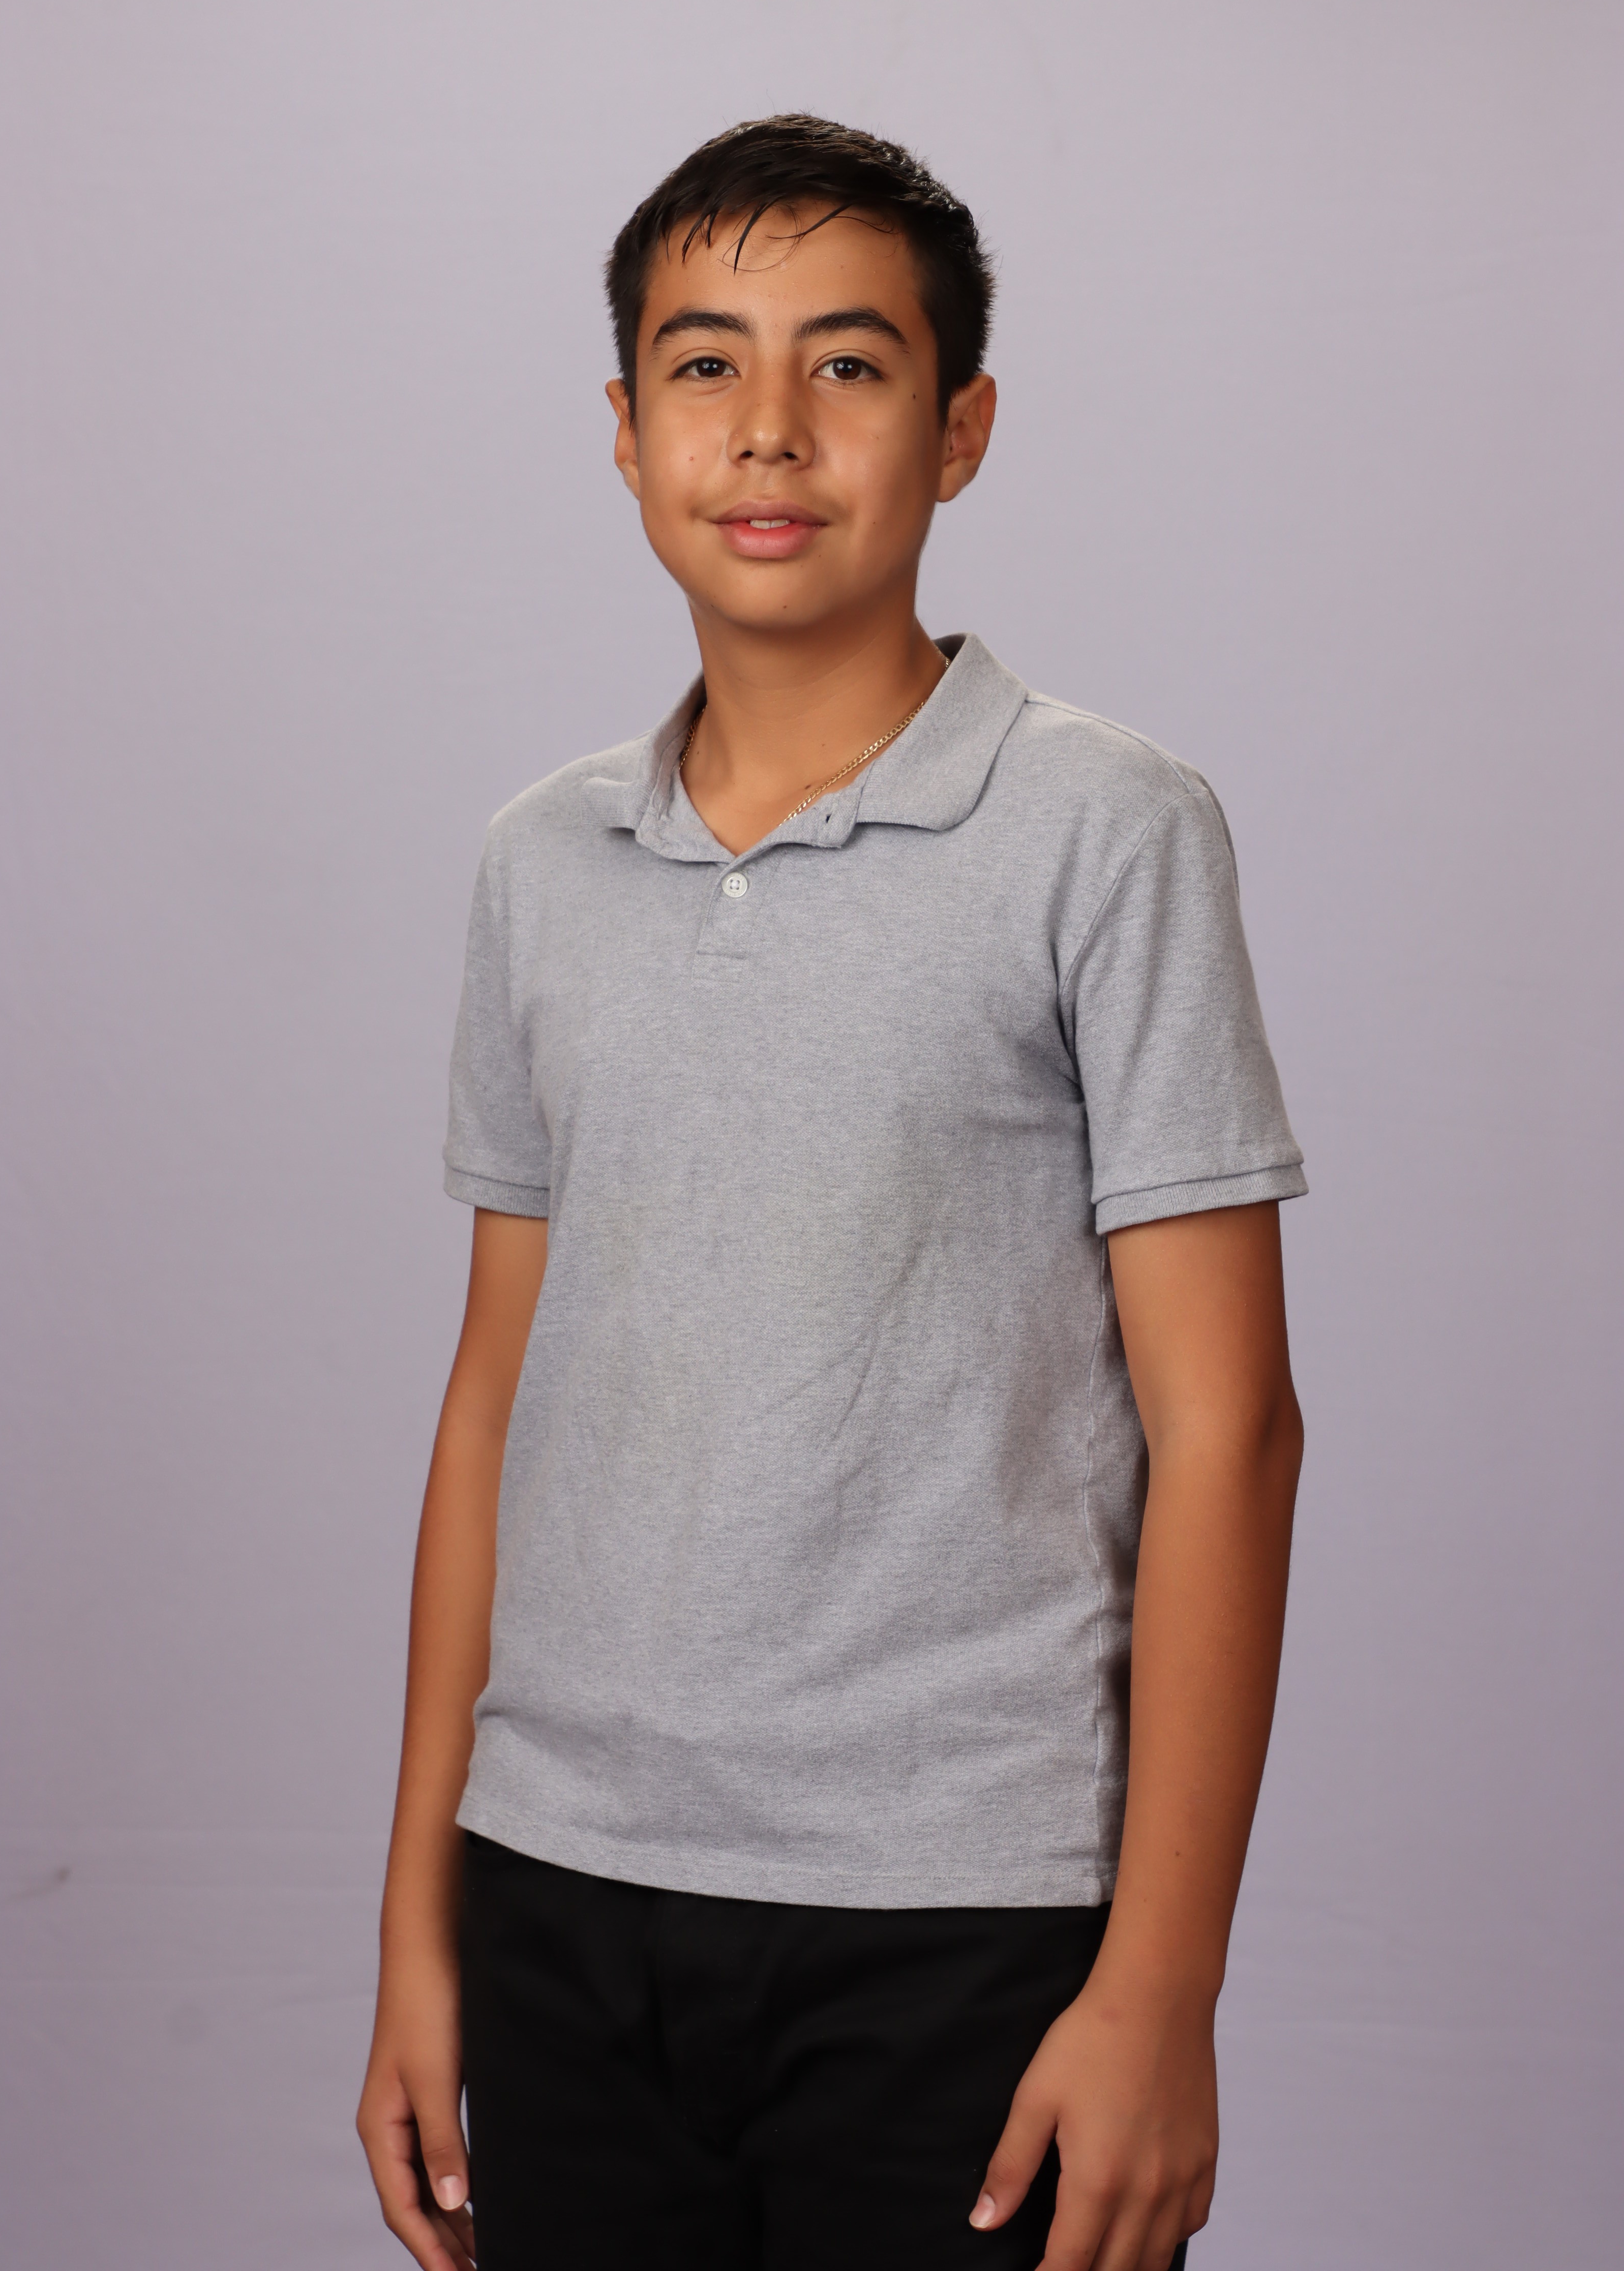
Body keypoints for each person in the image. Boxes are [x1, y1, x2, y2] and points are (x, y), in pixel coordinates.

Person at [356, 114, 1306, 2271]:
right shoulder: (540, 862)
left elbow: (1229, 1431)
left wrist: (1161, 1993)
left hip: (963, 1920)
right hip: (562, 1895)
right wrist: (420, 1924)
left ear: (959, 429)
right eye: (704, 364)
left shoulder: (1107, 831)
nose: (768, 429)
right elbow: (494, 1404)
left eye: (849, 365)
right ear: (625, 431)